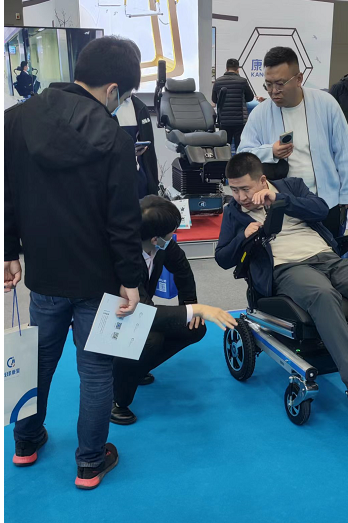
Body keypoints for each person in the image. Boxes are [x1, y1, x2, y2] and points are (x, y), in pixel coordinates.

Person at [4, 36, 144, 490]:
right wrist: (131, 278)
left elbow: (7, 194)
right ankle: (89, 464)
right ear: (113, 89)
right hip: (98, 278)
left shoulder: (15, 120)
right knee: (96, 371)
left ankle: (25, 443)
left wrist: (8, 251)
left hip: (44, 274)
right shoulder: (115, 138)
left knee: (38, 362)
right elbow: (123, 220)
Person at [215, 153, 348, 404]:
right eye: (234, 190)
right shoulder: (234, 213)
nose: (240, 197)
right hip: (287, 267)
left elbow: (320, 210)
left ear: (262, 181)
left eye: (245, 189)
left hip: (326, 257)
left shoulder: (291, 187)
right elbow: (222, 258)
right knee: (323, 294)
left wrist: (279, 199)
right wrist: (243, 237)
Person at [111, 196, 237, 425]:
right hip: (112, 323)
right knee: (150, 340)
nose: (174, 235)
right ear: (155, 238)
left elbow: (182, 269)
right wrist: (198, 308)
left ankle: (137, 368)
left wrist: (189, 303)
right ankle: (116, 398)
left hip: (140, 313)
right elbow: (143, 313)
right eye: (172, 232)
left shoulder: (162, 244)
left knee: (194, 328)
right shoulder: (123, 258)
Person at [237, 47, 348, 239]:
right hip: (282, 205)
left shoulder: (326, 104)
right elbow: (243, 156)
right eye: (268, 84)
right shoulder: (260, 114)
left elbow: (343, 152)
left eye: (280, 84)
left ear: (299, 79)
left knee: (330, 252)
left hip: (326, 201)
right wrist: (271, 151)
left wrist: (345, 195)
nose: (274, 91)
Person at [115, 40, 159, 197]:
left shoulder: (139, 108)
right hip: (115, 188)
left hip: (140, 186)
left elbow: (150, 156)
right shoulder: (100, 108)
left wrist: (153, 187)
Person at [212, 58, 254, 150]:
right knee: (241, 147)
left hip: (224, 120)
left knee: (224, 148)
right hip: (240, 121)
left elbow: (214, 100)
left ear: (226, 69)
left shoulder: (218, 81)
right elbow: (250, 97)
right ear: (238, 69)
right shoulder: (243, 81)